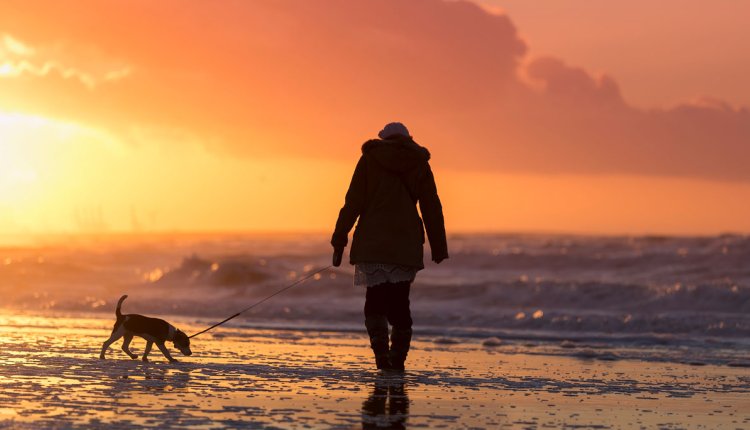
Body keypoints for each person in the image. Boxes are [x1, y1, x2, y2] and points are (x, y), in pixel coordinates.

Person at [331, 122, 448, 371]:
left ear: (383, 139)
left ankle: (381, 355)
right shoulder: (419, 164)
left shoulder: (369, 161)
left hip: (373, 242)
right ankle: (398, 357)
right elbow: (431, 206)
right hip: (404, 244)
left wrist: (339, 237)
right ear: (409, 139)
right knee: (400, 302)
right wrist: (438, 246)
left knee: (374, 300)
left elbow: (353, 202)